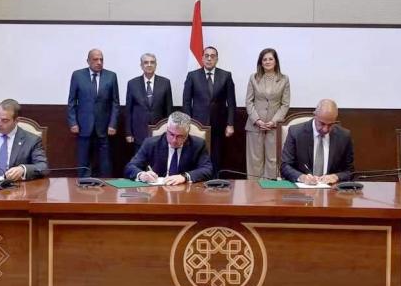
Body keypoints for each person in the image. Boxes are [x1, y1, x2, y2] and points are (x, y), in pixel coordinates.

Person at [182, 46, 236, 175]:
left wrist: (230, 124)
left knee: (217, 155)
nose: (209, 59)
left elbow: (231, 102)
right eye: (206, 56)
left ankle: (215, 180)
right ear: (202, 58)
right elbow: (186, 102)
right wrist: (188, 123)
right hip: (197, 124)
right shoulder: (192, 76)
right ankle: (198, 179)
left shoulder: (226, 75)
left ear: (217, 59)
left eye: (212, 56)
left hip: (219, 123)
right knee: (198, 154)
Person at [67, 48, 120, 177]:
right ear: (88, 61)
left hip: (104, 127)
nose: (99, 62)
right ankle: (83, 183)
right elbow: (72, 101)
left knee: (105, 160)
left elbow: (115, 103)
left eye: (101, 59)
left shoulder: (111, 76)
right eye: (95, 59)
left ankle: (106, 183)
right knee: (83, 158)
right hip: (83, 126)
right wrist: (73, 123)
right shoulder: (78, 75)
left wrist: (113, 124)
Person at [124, 111, 212, 185]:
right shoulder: (151, 143)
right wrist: (141, 175)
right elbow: (130, 166)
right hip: (157, 192)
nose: (174, 140)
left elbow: (207, 169)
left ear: (187, 134)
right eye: (171, 134)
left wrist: (184, 177)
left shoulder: (198, 145)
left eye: (179, 136)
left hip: (186, 191)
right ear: (167, 129)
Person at [280, 99, 354, 184]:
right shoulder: (296, 133)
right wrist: (302, 177)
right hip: (302, 188)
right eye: (322, 123)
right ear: (314, 115)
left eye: (330, 124)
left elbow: (350, 171)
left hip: (331, 188)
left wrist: (336, 176)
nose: (325, 129)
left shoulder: (344, 136)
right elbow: (285, 167)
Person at [245, 48, 290, 179]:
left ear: (276, 62)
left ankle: (271, 189)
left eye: (270, 59)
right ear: (261, 62)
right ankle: (253, 188)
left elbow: (285, 104)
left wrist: (274, 122)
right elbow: (249, 102)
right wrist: (257, 120)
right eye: (264, 59)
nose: (267, 61)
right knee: (255, 161)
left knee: (273, 160)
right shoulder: (253, 78)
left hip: (274, 127)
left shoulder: (284, 79)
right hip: (255, 126)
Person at [125, 53, 173, 151]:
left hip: (160, 131)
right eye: (146, 62)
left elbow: (169, 109)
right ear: (141, 66)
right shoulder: (132, 83)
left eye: (152, 62)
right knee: (141, 158)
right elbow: (128, 110)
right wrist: (129, 133)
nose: (149, 65)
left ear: (156, 65)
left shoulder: (165, 83)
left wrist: (169, 131)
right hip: (139, 131)